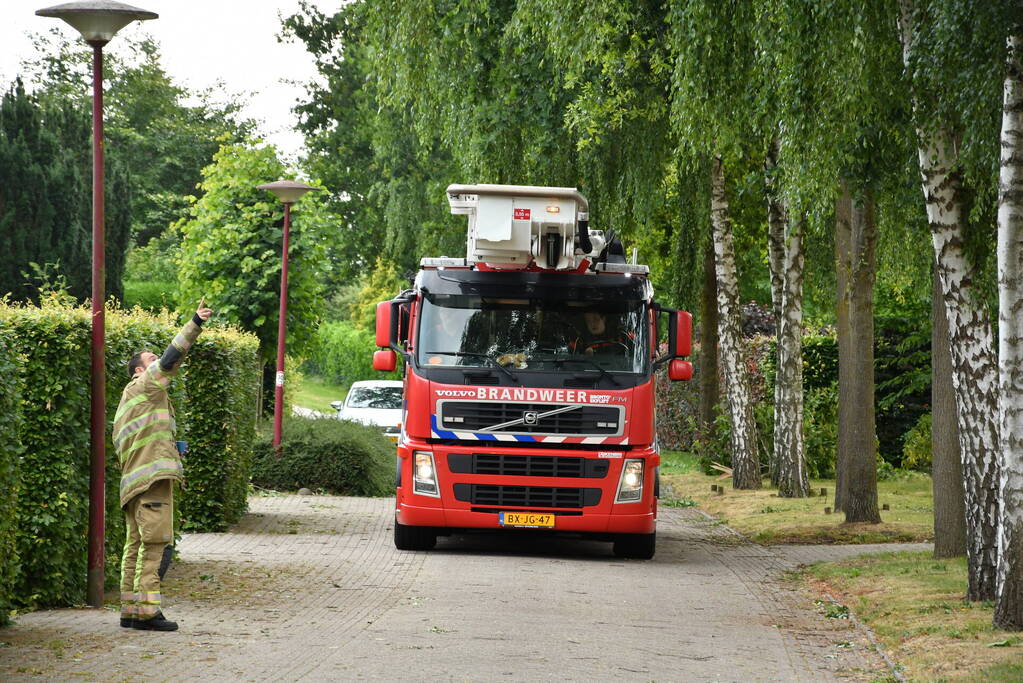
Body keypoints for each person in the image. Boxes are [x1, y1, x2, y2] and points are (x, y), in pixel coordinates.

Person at [114, 301, 212, 632]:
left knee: (135, 546)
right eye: (150, 361)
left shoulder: (130, 402)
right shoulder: (146, 386)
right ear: (139, 371)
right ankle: (147, 614)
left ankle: (130, 611)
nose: (159, 364)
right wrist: (196, 322)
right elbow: (172, 357)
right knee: (156, 545)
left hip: (134, 483)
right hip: (151, 481)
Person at [569, 310, 634, 356]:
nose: (592, 324)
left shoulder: (621, 337)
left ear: (604, 318)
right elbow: (574, 363)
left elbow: (635, 355)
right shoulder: (580, 341)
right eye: (588, 320)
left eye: (595, 319)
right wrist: (585, 355)